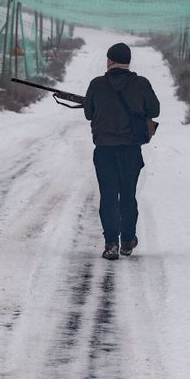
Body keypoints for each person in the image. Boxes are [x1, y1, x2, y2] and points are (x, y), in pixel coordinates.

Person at [82, 43, 160, 260]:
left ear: (109, 60)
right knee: (128, 195)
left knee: (108, 196)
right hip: (130, 151)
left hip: (105, 150)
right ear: (128, 61)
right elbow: (155, 109)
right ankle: (127, 241)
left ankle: (110, 245)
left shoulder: (97, 85)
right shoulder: (141, 84)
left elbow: (89, 113)